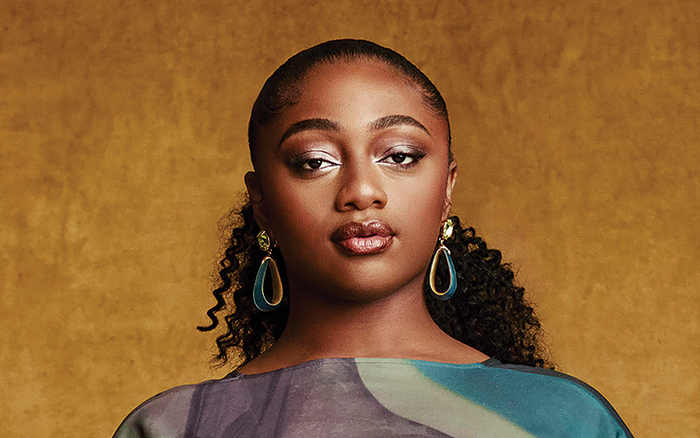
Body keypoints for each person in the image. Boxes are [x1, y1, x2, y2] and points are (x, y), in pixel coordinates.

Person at [113, 39, 634, 437]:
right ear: (262, 202)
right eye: (315, 161)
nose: (361, 191)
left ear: (447, 187)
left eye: (400, 156)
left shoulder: (565, 421)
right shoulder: (175, 427)